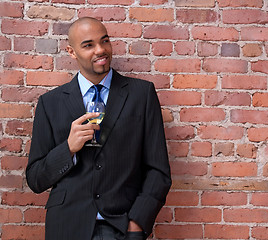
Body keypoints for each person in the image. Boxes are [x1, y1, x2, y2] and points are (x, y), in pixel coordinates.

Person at [26, 17, 172, 240]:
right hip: (66, 226)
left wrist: (137, 223)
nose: (100, 50)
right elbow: (36, 179)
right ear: (72, 52)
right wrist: (68, 149)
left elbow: (158, 170)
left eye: (105, 41)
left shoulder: (141, 94)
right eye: (88, 45)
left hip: (120, 226)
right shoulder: (50, 103)